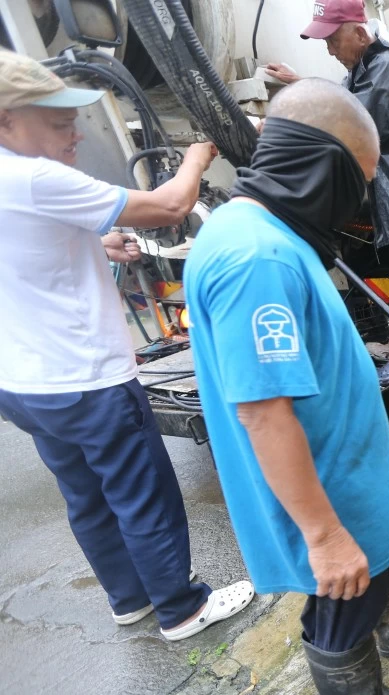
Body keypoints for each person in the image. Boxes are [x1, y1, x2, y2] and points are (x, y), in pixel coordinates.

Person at [183, 78, 389, 695]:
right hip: (324, 480)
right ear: (323, 169)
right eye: (358, 183)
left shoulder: (270, 232)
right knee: (345, 588)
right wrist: (323, 535)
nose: (361, 201)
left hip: (353, 465)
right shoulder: (256, 257)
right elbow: (263, 412)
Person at [0, 49, 254, 640]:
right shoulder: (36, 178)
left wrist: (97, 245)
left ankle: (130, 598)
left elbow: (24, 249)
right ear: (6, 120)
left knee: (85, 495)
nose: (75, 134)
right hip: (86, 379)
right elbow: (171, 205)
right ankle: (182, 608)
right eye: (58, 122)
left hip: (23, 382)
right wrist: (197, 156)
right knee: (142, 491)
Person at [265, 0, 389, 387]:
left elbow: (350, 122)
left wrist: (283, 127)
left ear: (360, 34)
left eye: (332, 40)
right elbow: (344, 100)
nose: (330, 50)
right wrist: (299, 83)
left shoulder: (387, 70)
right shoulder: (373, 67)